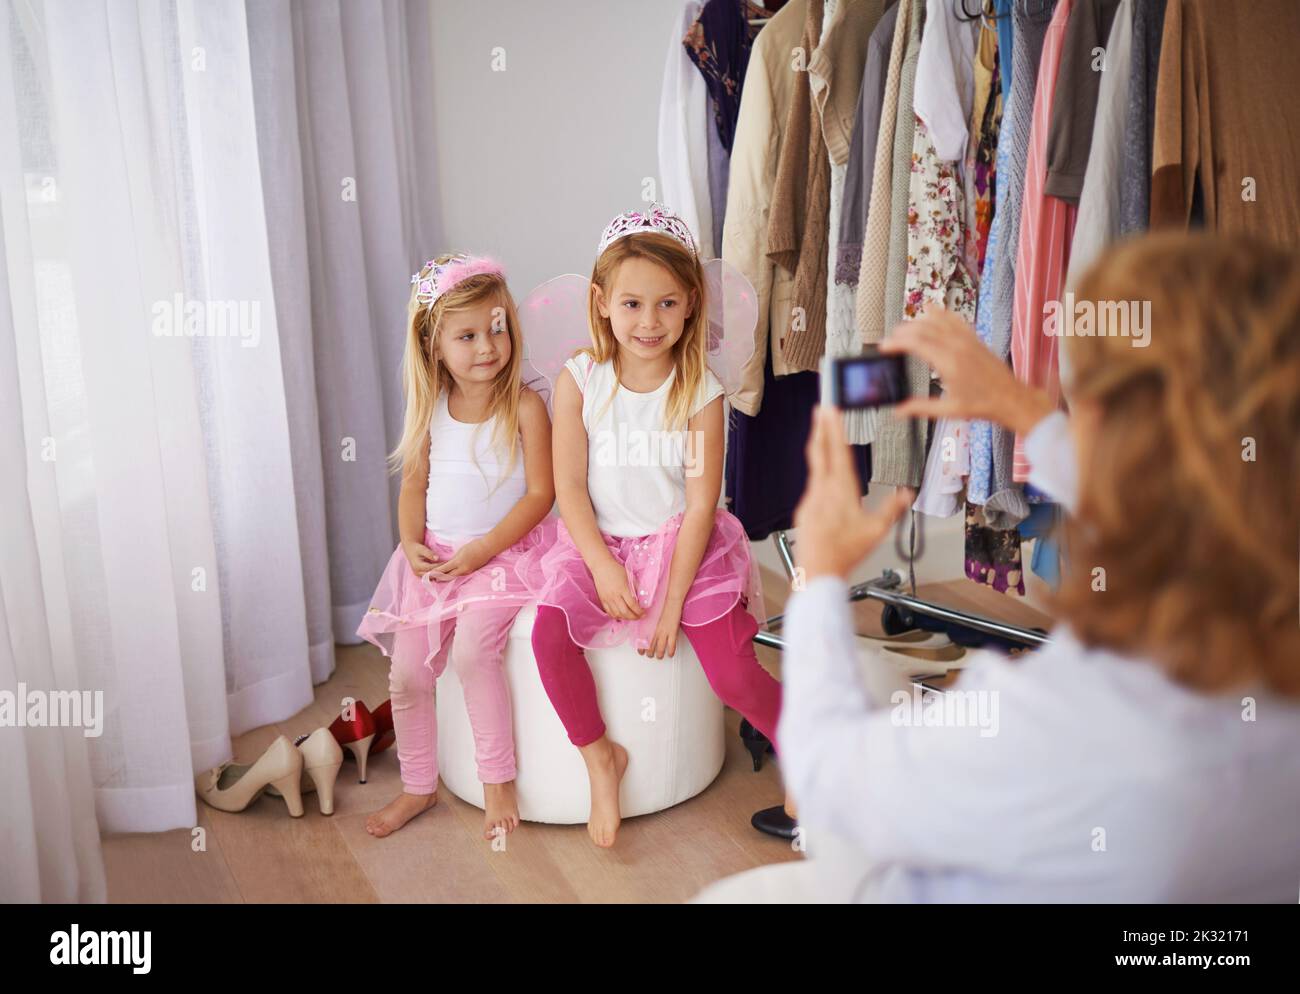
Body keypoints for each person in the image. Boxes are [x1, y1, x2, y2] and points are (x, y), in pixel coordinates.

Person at [695, 231, 1300, 902]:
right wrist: (1028, 415)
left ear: (1103, 424)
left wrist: (819, 577)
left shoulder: (1059, 719)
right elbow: (1192, 490)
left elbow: (827, 782)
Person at [522, 204, 788, 848]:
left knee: (729, 673)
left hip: (685, 550)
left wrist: (670, 606)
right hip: (597, 543)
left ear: (693, 303)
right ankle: (599, 758)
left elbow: (701, 506)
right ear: (601, 301)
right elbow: (570, 488)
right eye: (633, 304)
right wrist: (604, 566)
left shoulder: (700, 391)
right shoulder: (579, 381)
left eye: (667, 304)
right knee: (548, 640)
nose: (649, 322)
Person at [356, 254, 555, 841]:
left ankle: (498, 780)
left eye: (497, 327)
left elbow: (542, 494)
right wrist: (409, 542)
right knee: (407, 675)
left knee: (472, 655)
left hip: (502, 559)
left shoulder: (524, 406)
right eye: (467, 335)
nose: (488, 345)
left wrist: (486, 548)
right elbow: (413, 484)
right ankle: (419, 787)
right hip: (439, 560)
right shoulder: (430, 410)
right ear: (433, 344)